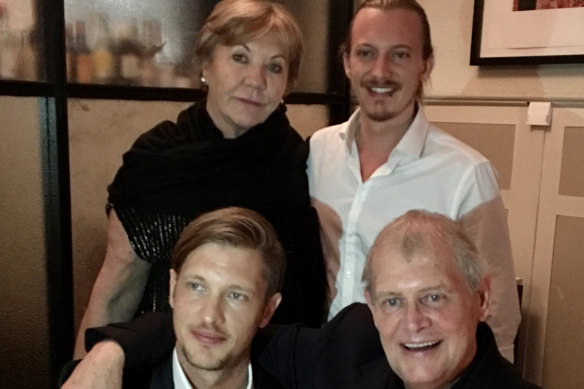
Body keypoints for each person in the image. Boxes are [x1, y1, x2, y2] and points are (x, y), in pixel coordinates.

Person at [74, 0, 326, 358]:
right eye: (240, 58)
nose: (256, 80)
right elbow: (115, 293)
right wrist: (82, 373)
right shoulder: (157, 161)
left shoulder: (300, 163)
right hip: (164, 362)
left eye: (274, 67)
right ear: (206, 63)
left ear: (288, 83)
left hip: (272, 366)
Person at [62, 210, 541, 389]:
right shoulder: (349, 349)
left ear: (481, 298)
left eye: (433, 297)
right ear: (371, 305)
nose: (413, 322)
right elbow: (219, 330)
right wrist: (113, 350)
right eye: (393, 301)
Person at [306, 0, 520, 360]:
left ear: (426, 63)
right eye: (366, 53)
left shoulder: (466, 174)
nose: (380, 71)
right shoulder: (317, 152)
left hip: (415, 372)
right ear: (346, 62)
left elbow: (497, 314)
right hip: (322, 368)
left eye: (400, 55)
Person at [63, 207, 287, 388]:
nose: (210, 316)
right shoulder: (101, 380)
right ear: (172, 288)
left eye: (236, 295)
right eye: (197, 287)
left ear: (268, 310)